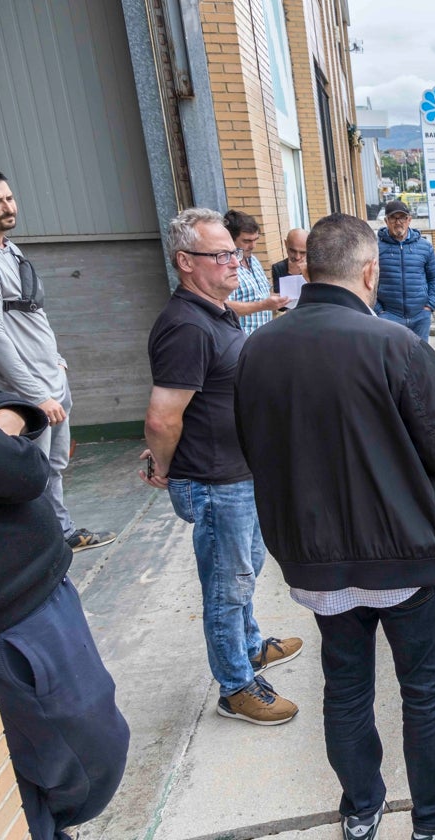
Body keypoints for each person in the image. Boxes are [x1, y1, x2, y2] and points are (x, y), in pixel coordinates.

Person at [234, 213, 435, 840]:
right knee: (425, 690)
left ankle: (360, 811)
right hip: (406, 559)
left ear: (307, 267)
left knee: (345, 689)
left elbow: (254, 448)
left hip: (317, 564)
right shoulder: (399, 346)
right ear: (370, 270)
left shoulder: (258, 350)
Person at [141, 208, 302, 726]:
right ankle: (236, 686)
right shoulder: (185, 327)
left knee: (246, 570)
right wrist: (165, 469)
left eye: (234, 252)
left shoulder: (216, 310)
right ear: (186, 262)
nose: (236, 261)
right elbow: (163, 418)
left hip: (238, 471)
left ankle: (251, 645)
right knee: (226, 585)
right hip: (212, 479)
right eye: (222, 254)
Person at [0, 389, 130, 840]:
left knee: (54, 756)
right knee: (87, 756)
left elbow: (13, 404)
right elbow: (18, 469)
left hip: (42, 586)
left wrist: (6, 421)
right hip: (14, 618)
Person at [0, 169, 117, 552]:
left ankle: (61, 533)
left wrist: (59, 362)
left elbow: (34, 313)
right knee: (33, 471)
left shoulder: (10, 250)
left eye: (9, 198)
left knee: (55, 466)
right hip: (28, 389)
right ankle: (46, 542)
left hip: (52, 379)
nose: (8, 207)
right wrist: (35, 395)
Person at [376, 199, 435, 341]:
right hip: (389, 317)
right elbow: (367, 280)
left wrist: (429, 306)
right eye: (393, 218)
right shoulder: (375, 248)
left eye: (402, 217)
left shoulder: (425, 246)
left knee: (420, 359)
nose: (398, 222)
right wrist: (379, 311)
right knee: (392, 359)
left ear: (409, 220)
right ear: (386, 221)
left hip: (420, 316)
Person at [224, 209, 289, 335]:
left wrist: (280, 298)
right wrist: (262, 305)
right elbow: (223, 306)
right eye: (247, 241)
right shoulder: (225, 266)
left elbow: (260, 295)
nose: (253, 245)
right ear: (231, 239)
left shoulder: (253, 260)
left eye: (256, 239)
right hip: (242, 341)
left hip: (263, 339)